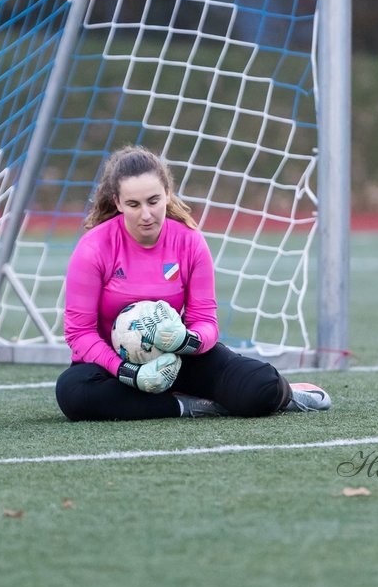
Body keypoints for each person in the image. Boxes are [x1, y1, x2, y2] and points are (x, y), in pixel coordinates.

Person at [55, 145, 331, 420]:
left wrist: (187, 340)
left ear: (167, 194)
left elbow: (206, 321)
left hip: (178, 357)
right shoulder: (93, 247)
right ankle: (189, 405)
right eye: (133, 204)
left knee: (259, 386)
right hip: (111, 367)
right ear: (117, 202)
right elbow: (79, 333)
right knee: (75, 394)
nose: (146, 214)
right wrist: (129, 372)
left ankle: (289, 394)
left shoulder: (189, 242)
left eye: (153, 201)